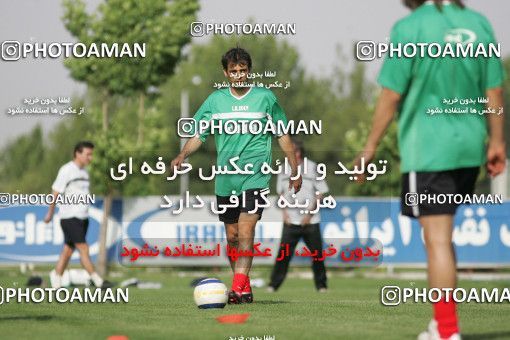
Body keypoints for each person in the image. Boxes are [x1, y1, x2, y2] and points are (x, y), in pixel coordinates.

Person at [357, 1, 506, 339]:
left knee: (437, 239)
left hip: (429, 149)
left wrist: (369, 150)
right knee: (440, 236)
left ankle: (447, 331)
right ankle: (442, 324)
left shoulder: (410, 28)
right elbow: (494, 89)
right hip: (469, 147)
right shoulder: (479, 24)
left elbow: (391, 95)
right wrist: (497, 142)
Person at [170, 47, 302, 304]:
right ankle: (244, 284)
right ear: (225, 73)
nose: (239, 75)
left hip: (256, 176)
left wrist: (295, 170)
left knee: (245, 229)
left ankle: (237, 287)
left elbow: (283, 135)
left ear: (249, 71)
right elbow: (199, 134)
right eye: (234, 71)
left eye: (243, 71)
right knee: (231, 236)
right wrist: (182, 155)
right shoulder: (215, 101)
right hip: (226, 179)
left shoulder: (266, 98)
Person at [44, 141, 110, 289]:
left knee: (67, 251)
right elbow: (55, 192)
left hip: (82, 217)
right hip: (69, 217)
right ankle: (98, 281)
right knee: (84, 248)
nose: (90, 158)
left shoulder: (85, 172)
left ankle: (56, 277)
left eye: (91, 154)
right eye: (88, 154)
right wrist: (50, 212)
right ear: (77, 154)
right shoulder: (66, 170)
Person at [268, 139, 329, 292]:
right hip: (291, 221)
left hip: (311, 221)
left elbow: (320, 193)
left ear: (299, 152)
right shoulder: (282, 169)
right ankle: (273, 285)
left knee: (317, 255)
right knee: (283, 255)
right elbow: (281, 194)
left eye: (292, 151)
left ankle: (321, 286)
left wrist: (309, 214)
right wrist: (285, 214)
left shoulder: (313, 167)